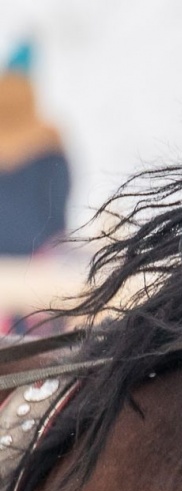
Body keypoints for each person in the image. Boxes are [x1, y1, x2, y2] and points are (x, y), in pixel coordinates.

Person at [0, 41, 71, 334]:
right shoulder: (48, 142)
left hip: (4, 264)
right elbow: (58, 199)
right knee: (43, 353)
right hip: (39, 263)